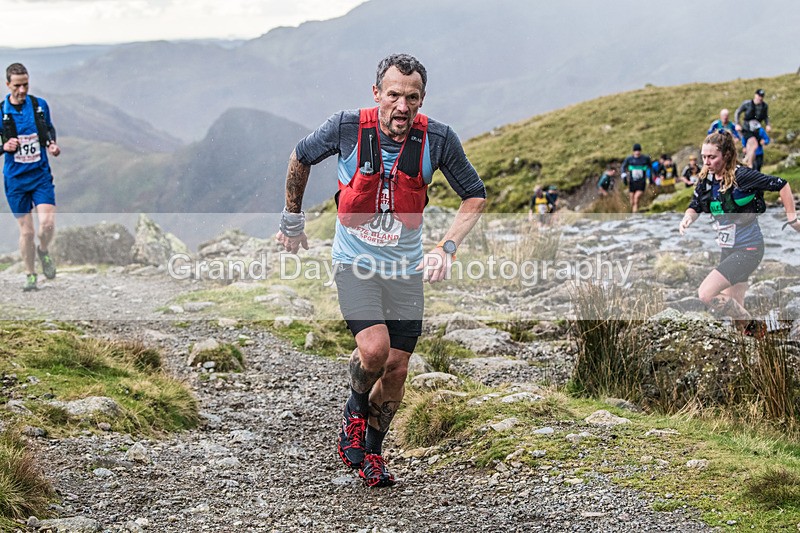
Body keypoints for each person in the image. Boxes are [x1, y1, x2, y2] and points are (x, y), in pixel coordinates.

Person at [275, 54, 486, 488]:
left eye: (412, 98)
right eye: (393, 95)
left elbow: (475, 194)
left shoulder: (438, 140)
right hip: (355, 262)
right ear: (377, 94)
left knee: (397, 369)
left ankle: (372, 451)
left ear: (422, 99)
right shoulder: (346, 127)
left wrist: (446, 248)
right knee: (374, 351)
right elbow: (301, 156)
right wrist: (292, 220)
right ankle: (354, 411)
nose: (402, 107)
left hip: (405, 270)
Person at [678, 130, 799, 335]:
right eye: (704, 157)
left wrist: (792, 218)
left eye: (712, 157)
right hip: (728, 249)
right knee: (735, 309)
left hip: (749, 249)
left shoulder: (742, 176)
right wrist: (688, 217)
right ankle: (756, 343)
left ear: (726, 155)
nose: (706, 162)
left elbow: (782, 184)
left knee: (706, 294)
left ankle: (757, 327)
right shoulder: (706, 179)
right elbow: (696, 204)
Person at [1, 63, 60, 292]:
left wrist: (52, 144)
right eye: (17, 86)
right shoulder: (1, 113)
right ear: (8, 85)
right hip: (16, 181)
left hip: (40, 175)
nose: (22, 90)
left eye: (25, 84)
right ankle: (30, 274)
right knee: (27, 232)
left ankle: (43, 251)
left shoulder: (39, 106)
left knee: (47, 224)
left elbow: (49, 130)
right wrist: (4, 146)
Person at [734, 89, 771, 169]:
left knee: (751, 147)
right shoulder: (747, 104)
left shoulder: (764, 106)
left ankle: (744, 163)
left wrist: (768, 125)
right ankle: (749, 165)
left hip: (756, 130)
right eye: (759, 96)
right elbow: (737, 112)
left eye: (762, 96)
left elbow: (766, 117)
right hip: (746, 129)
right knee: (754, 144)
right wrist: (737, 124)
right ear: (755, 95)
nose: (760, 98)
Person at [621, 143, 651, 213]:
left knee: (636, 198)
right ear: (633, 151)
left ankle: (635, 214)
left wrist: (650, 179)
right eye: (636, 151)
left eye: (638, 151)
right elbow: (623, 167)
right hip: (632, 182)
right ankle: (634, 212)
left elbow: (650, 167)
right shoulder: (629, 159)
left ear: (640, 151)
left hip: (641, 182)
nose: (637, 152)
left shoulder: (645, 158)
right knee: (632, 201)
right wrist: (624, 175)